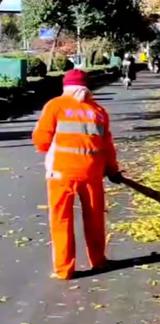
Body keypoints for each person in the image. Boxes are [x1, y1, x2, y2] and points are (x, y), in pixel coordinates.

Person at [32, 69, 123, 280]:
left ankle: (64, 269)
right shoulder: (99, 111)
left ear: (66, 87)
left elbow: (41, 140)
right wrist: (113, 170)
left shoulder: (55, 105)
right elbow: (108, 146)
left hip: (61, 173)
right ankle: (98, 261)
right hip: (92, 173)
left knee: (61, 219)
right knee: (94, 217)